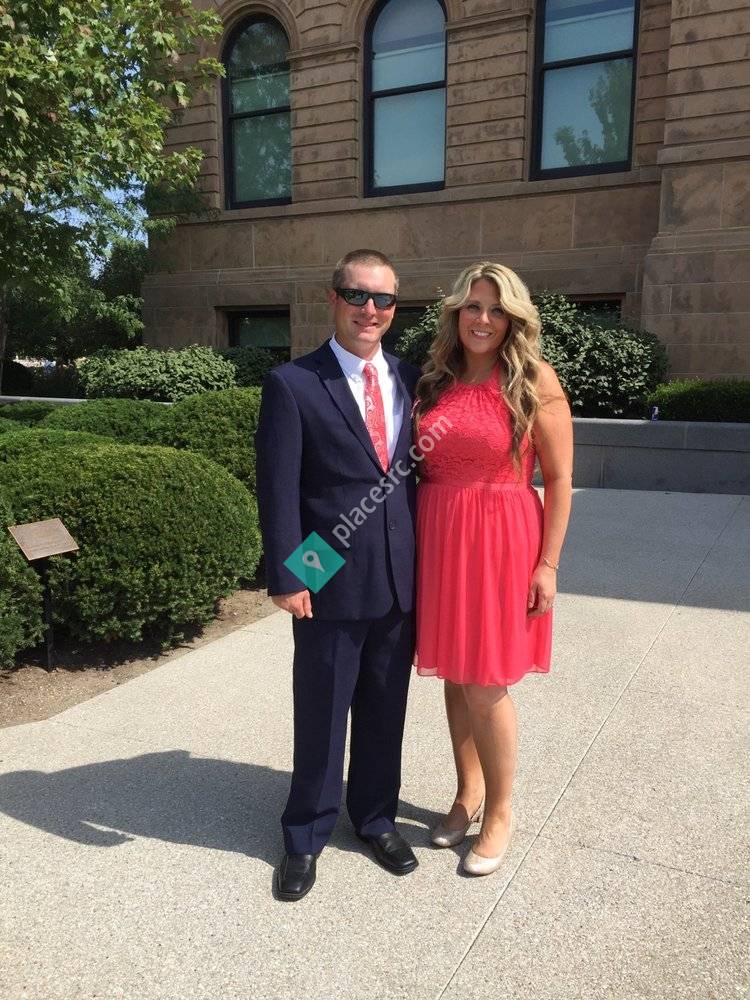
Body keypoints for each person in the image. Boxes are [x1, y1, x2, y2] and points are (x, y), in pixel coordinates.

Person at [255, 249, 420, 901]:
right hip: (325, 576)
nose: (370, 310)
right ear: (333, 299)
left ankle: (375, 818)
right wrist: (290, 575)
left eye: (383, 299)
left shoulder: (411, 377)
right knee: (322, 712)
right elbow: (279, 488)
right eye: (357, 295)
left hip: (400, 578)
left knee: (385, 709)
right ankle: (305, 834)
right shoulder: (294, 383)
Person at [413, 261, 573, 875]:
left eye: (497, 309)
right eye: (473, 307)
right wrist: (311, 564)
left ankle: (501, 811)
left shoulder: (533, 379)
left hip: (502, 539)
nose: (483, 319)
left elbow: (559, 479)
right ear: (456, 313)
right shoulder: (436, 379)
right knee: (456, 675)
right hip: (440, 538)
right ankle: (468, 791)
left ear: (514, 319)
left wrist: (548, 564)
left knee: (485, 681)